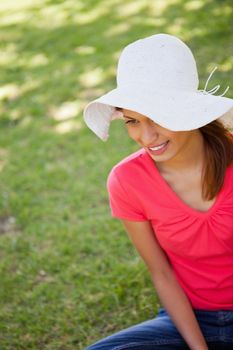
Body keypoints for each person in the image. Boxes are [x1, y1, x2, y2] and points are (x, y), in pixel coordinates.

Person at [83, 34, 233, 350]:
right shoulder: (126, 181)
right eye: (133, 121)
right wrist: (198, 348)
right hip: (191, 319)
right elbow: (161, 273)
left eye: (158, 118)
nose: (147, 136)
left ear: (189, 110)